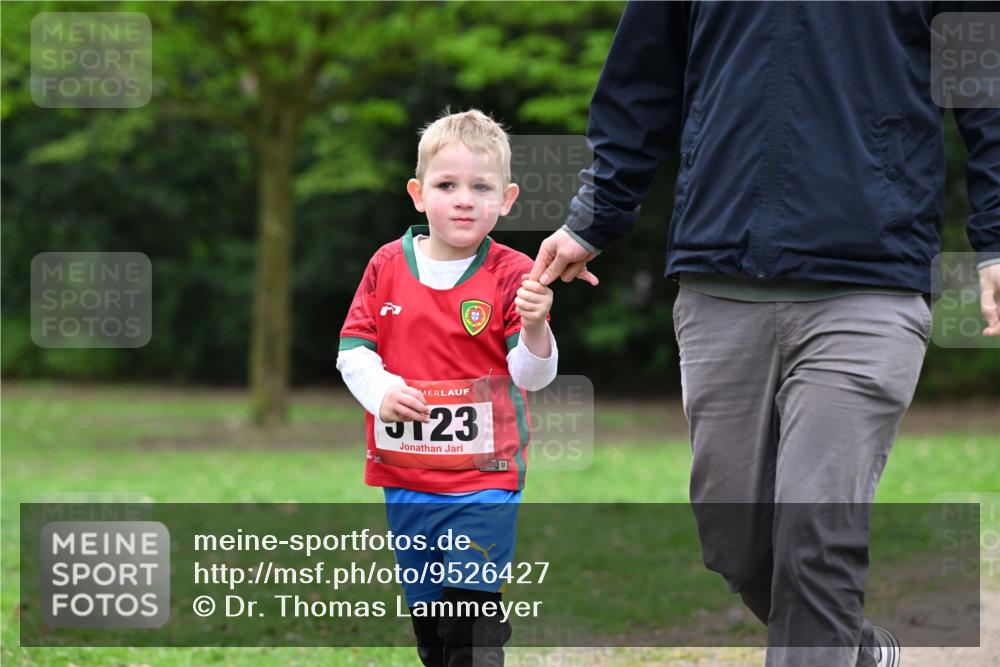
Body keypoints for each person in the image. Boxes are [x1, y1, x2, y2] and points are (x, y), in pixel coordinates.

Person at [530, 3, 999, 667]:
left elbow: (987, 84)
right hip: (719, 276)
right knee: (739, 545)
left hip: (871, 280)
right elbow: (641, 79)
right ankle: (853, 651)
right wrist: (594, 215)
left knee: (815, 535)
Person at [338, 109, 558, 667]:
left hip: (485, 478)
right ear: (418, 194)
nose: (464, 200)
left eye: (481, 187)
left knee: (470, 626)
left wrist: (536, 326)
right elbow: (352, 352)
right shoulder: (387, 265)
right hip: (406, 477)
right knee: (433, 634)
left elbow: (532, 375)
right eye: (446, 185)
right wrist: (382, 391)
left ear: (506, 199)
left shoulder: (513, 273)